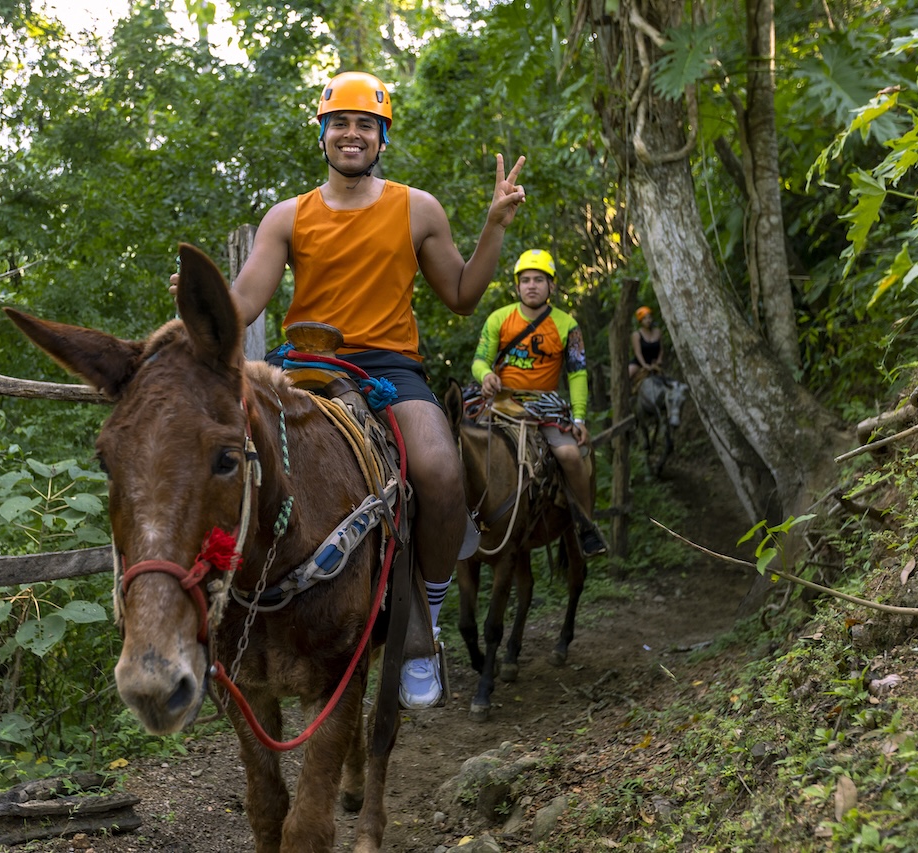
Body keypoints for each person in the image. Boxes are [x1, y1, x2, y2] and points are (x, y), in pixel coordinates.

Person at [178, 71, 526, 710]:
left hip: (389, 367)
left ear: (382, 138)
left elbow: (461, 294)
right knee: (216, 459)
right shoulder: (288, 216)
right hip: (302, 363)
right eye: (339, 122)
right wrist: (199, 306)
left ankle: (425, 622)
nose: (352, 133)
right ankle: (206, 622)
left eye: (366, 124)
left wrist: (495, 225)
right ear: (322, 133)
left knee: (440, 470)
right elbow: (245, 301)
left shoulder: (417, 208)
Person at [471, 249, 607, 559]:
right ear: (517, 286)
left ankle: (585, 524)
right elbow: (479, 360)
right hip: (501, 401)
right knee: (463, 446)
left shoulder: (567, 325)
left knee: (570, 455)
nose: (531, 285)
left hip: (545, 405)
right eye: (526, 280)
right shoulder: (498, 319)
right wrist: (486, 374)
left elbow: (577, 373)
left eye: (539, 280)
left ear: (551, 286)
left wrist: (579, 418)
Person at [629, 305, 665, 381]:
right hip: (639, 363)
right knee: (628, 374)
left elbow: (661, 349)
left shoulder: (658, 332)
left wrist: (659, 360)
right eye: (644, 318)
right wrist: (644, 365)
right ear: (641, 321)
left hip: (654, 363)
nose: (648, 320)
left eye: (649, 317)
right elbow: (637, 352)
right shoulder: (637, 335)